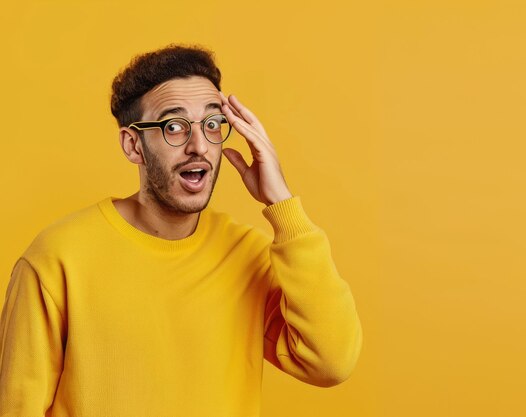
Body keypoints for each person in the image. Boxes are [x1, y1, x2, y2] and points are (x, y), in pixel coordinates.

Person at [0, 44, 362, 416]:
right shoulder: (57, 258)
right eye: (174, 126)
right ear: (133, 144)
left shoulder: (247, 255)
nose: (199, 146)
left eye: (212, 124)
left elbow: (332, 361)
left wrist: (282, 203)